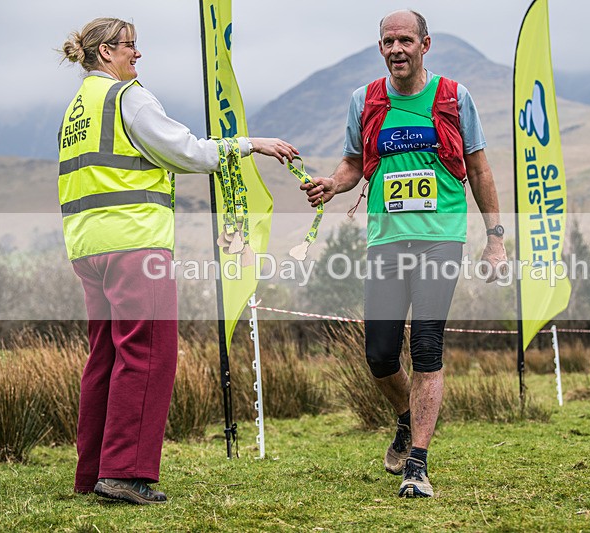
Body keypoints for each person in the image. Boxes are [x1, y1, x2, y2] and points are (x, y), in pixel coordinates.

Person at [58, 17, 297, 505]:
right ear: (105, 52)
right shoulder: (129, 97)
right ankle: (124, 474)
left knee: (104, 357)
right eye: (130, 47)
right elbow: (185, 151)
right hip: (135, 244)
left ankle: (93, 473)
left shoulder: (76, 108)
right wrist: (249, 144)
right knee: (148, 353)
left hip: (87, 247)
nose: (137, 55)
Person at [302, 10, 507, 498]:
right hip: (386, 241)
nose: (396, 49)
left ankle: (418, 463)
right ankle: (404, 419)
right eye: (388, 41)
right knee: (378, 356)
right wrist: (333, 183)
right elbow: (355, 162)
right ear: (380, 48)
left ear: (425, 45)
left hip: (440, 239)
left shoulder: (454, 98)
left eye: (405, 41)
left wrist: (495, 238)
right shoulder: (365, 100)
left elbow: (478, 169)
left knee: (428, 347)